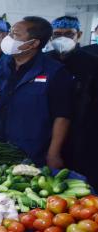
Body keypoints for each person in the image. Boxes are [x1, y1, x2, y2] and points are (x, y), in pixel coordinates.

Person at [0, 16, 74, 168]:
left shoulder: (54, 72)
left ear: (33, 43)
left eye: (15, 34)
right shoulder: (1, 64)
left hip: (31, 149)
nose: (8, 38)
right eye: (10, 33)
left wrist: (53, 153)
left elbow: (62, 116)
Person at [46, 16, 98, 186]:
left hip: (83, 128)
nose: (62, 38)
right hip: (48, 127)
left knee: (82, 176)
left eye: (69, 34)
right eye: (57, 34)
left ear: (79, 34)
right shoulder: (45, 61)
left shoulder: (91, 62)